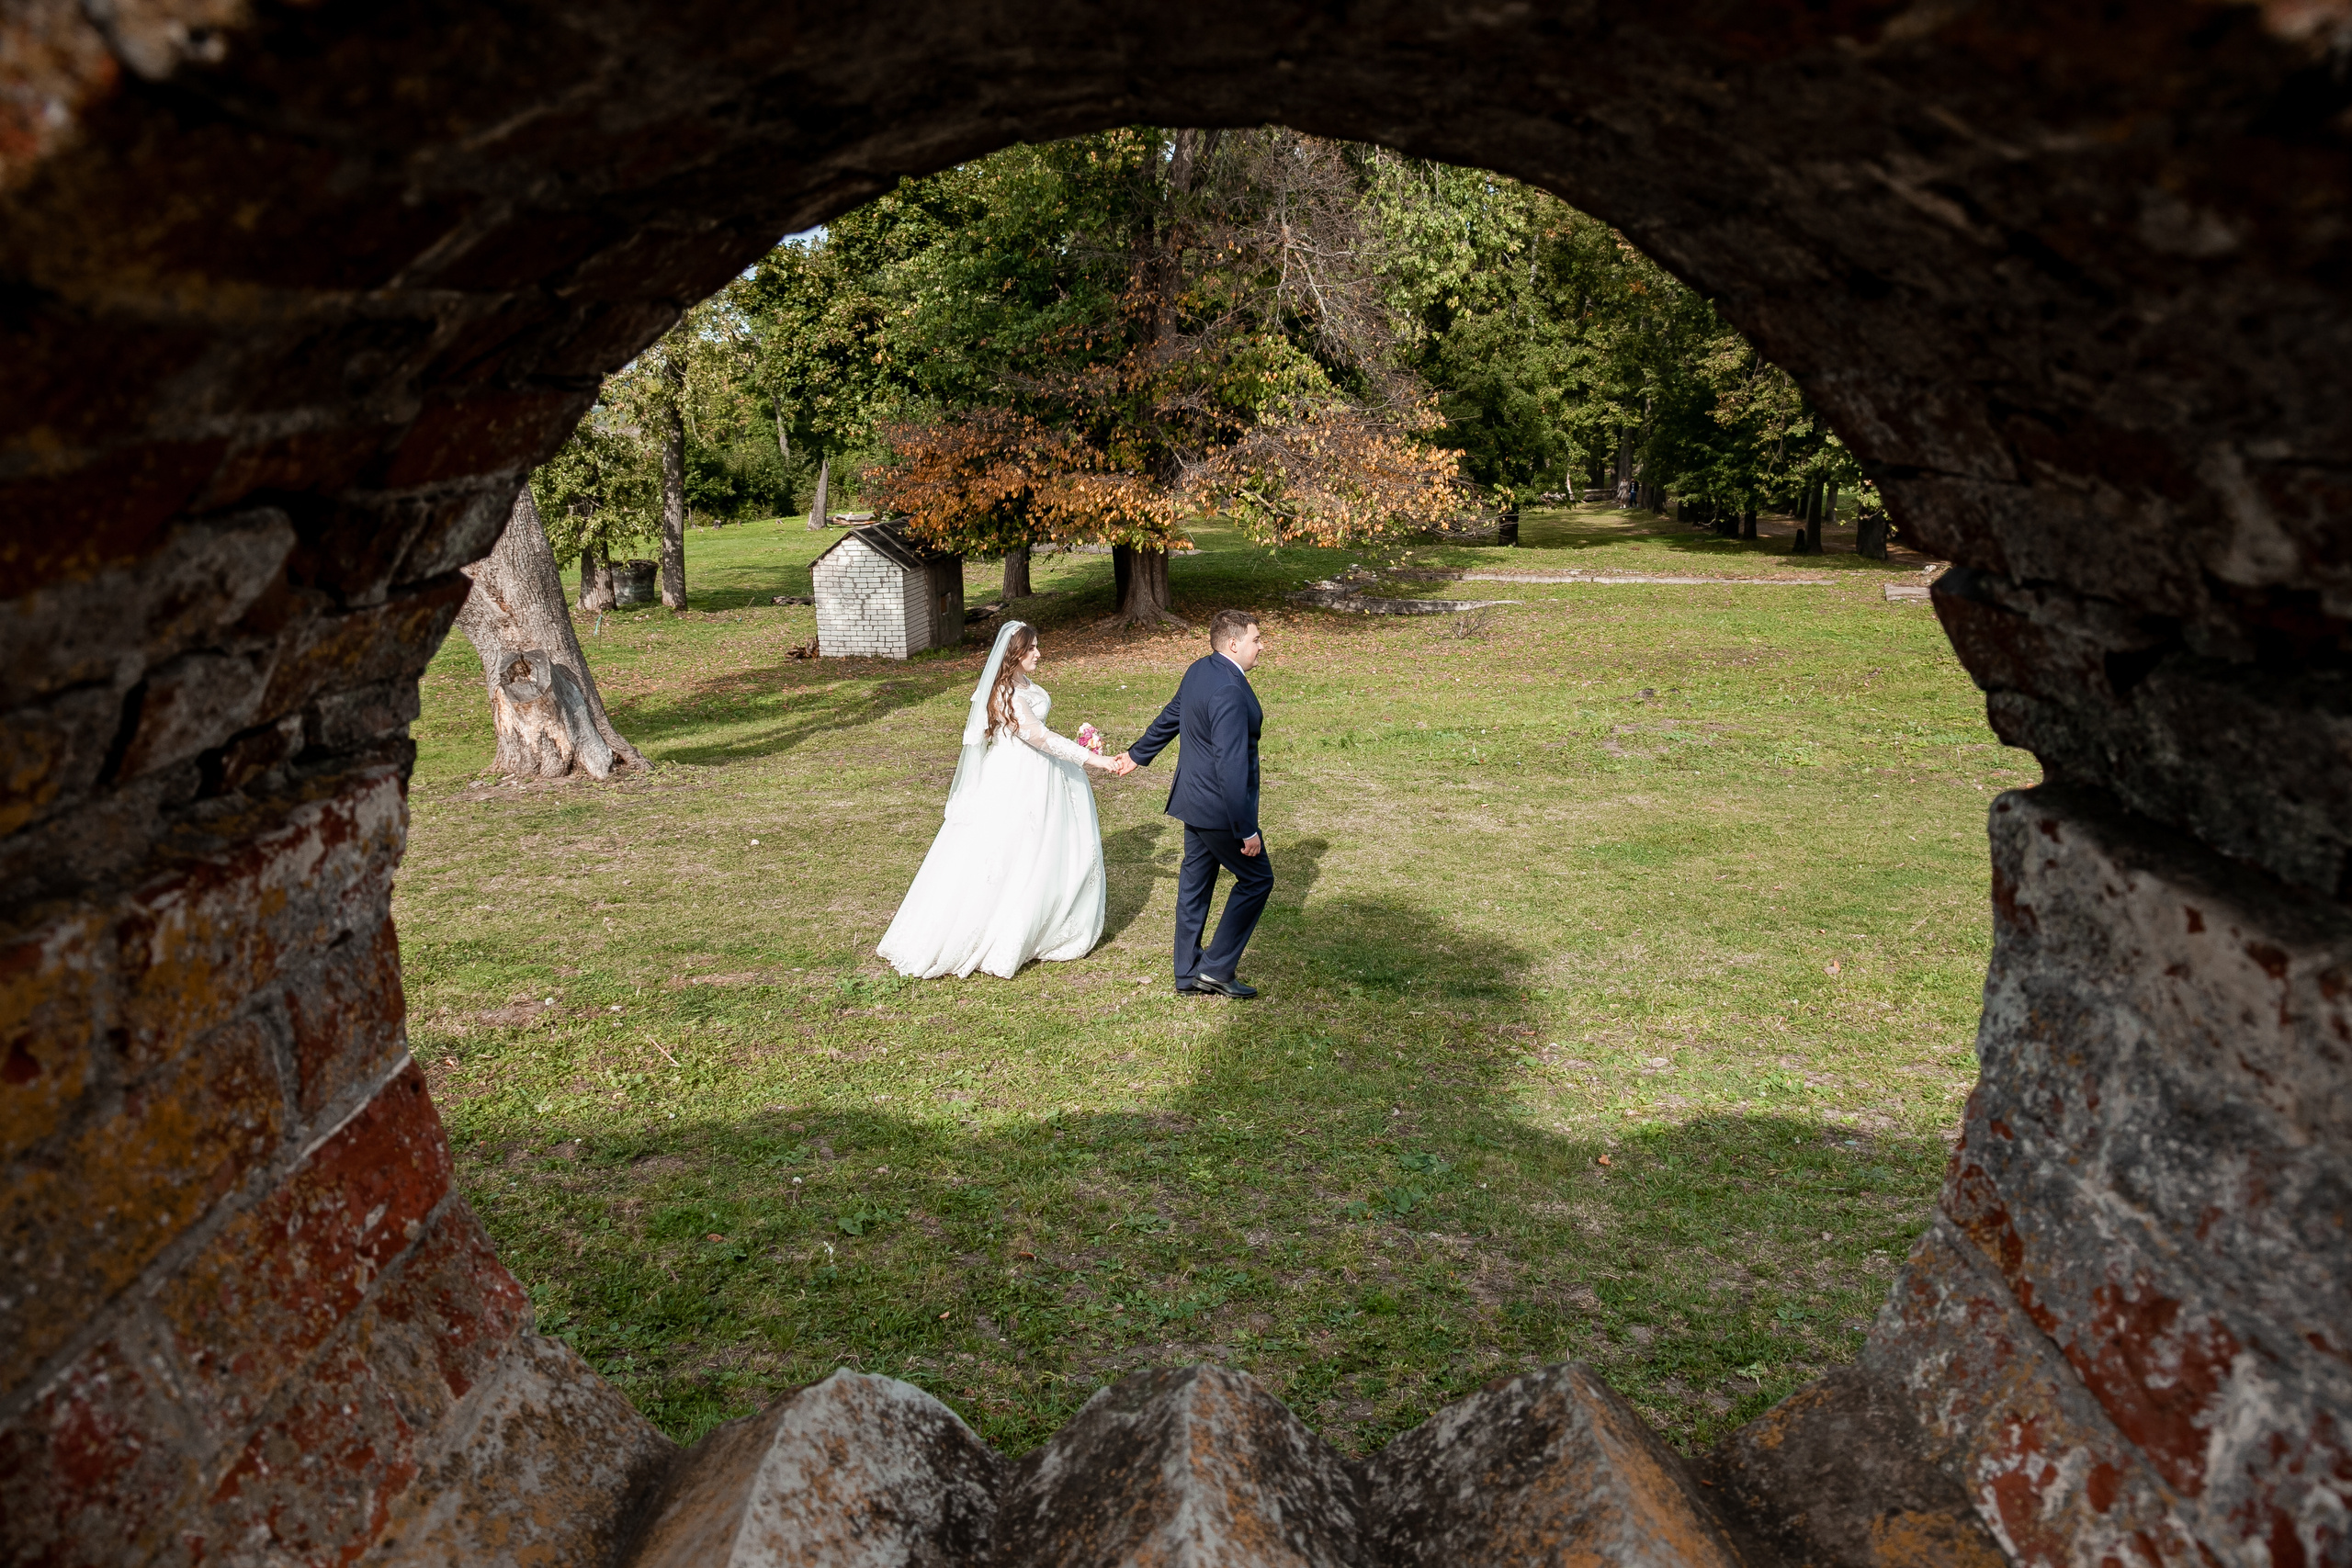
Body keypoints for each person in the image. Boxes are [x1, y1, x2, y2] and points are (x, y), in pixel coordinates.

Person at [878, 621, 1133, 978]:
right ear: (1014, 653)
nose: (1038, 653)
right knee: (1011, 850)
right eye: (1032, 648)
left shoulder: (1023, 683)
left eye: (1037, 646)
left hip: (1043, 773)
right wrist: (1094, 759)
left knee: (1044, 847)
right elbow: (1039, 737)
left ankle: (1044, 917)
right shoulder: (1003, 694)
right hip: (1017, 777)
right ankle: (1000, 929)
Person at [1116, 608, 1271, 998]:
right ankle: (1215, 969)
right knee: (1257, 880)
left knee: (1195, 884)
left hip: (1192, 801)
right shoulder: (1230, 690)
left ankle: (1187, 973)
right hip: (1219, 810)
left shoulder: (1200, 669)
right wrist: (1246, 829)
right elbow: (1230, 766)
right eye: (1256, 640)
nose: (1261, 647)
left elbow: (1171, 715)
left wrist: (1137, 754)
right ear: (1233, 644)